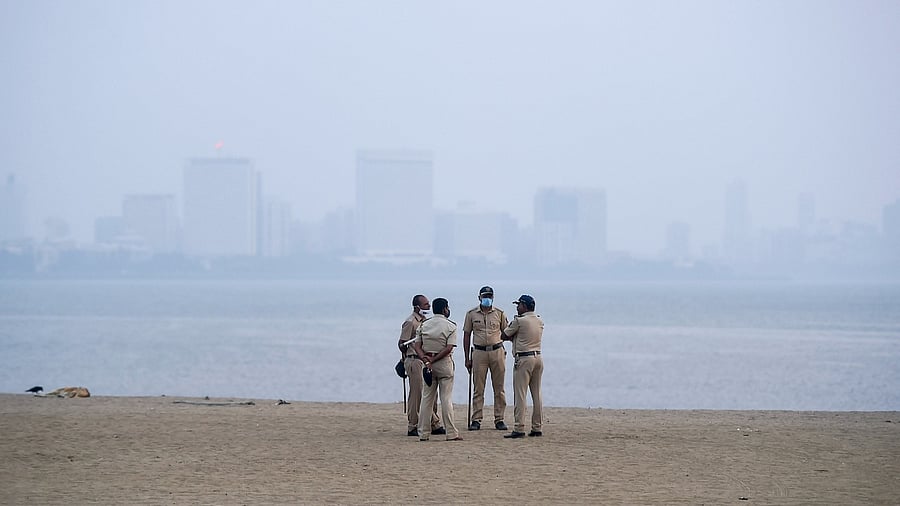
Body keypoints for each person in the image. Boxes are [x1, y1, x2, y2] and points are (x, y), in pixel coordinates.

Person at [413, 297, 462, 441]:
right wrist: (434, 359)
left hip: (428, 364)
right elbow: (448, 348)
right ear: (444, 309)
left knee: (427, 399)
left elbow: (417, 346)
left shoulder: (424, 325)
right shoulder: (450, 326)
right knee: (446, 399)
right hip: (444, 364)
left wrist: (425, 359)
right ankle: (451, 433)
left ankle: (423, 433)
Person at [463, 285, 509, 431]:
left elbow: (507, 332)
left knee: (499, 388)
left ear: (493, 298)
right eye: (485, 296)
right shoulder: (471, 314)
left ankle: (499, 419)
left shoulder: (500, 313)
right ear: (479, 298)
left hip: (497, 351)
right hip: (479, 353)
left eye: (489, 296)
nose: (487, 299)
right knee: (478, 388)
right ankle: (476, 419)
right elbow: (466, 335)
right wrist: (467, 358)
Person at [398, 294, 443, 437]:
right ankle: (413, 425)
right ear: (417, 306)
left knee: (430, 392)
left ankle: (432, 423)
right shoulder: (410, 322)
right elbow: (401, 343)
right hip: (414, 360)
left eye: (428, 304)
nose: (428, 307)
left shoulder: (425, 321)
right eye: (425, 305)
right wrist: (405, 359)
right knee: (416, 393)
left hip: (425, 360)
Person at [501, 294, 544, 439]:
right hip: (538, 356)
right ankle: (537, 427)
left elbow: (504, 335)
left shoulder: (519, 321)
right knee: (537, 394)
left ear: (524, 306)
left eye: (519, 305)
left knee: (520, 394)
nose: (517, 307)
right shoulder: (539, 320)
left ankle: (519, 427)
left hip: (524, 358)